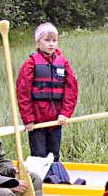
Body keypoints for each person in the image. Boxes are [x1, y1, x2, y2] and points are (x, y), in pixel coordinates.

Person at [16, 22, 79, 163]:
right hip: (37, 122)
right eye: (47, 40)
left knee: (54, 155)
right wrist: (28, 119)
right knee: (39, 156)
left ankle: (55, 179)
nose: (51, 44)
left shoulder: (63, 63)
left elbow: (71, 89)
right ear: (38, 43)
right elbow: (23, 93)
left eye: (54, 40)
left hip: (56, 120)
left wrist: (65, 113)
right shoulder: (30, 64)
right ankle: (40, 182)